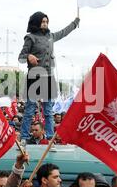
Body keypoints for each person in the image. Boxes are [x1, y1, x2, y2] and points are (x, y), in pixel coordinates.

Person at [18, 12, 80, 142]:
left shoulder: (51, 37)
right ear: (36, 23)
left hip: (49, 76)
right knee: (30, 109)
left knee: (48, 110)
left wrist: (75, 23)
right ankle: (24, 136)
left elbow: (63, 32)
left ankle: (50, 136)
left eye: (46, 21)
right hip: (34, 76)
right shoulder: (30, 38)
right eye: (42, 21)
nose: (45, 24)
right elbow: (21, 58)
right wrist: (29, 57)